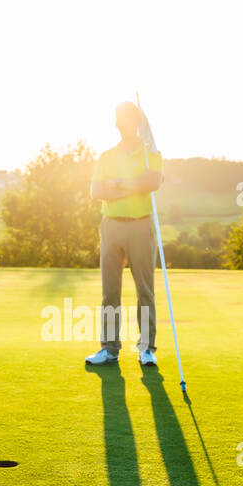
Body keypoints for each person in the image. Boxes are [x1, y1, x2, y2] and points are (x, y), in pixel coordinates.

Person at [85, 101, 164, 367]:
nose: (119, 124)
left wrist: (117, 185)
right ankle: (109, 349)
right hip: (111, 225)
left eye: (124, 119)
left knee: (144, 290)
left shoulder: (149, 152)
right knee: (110, 291)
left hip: (141, 225)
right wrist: (134, 185)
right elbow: (96, 191)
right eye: (117, 120)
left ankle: (146, 348)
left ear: (137, 122)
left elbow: (153, 182)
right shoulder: (107, 156)